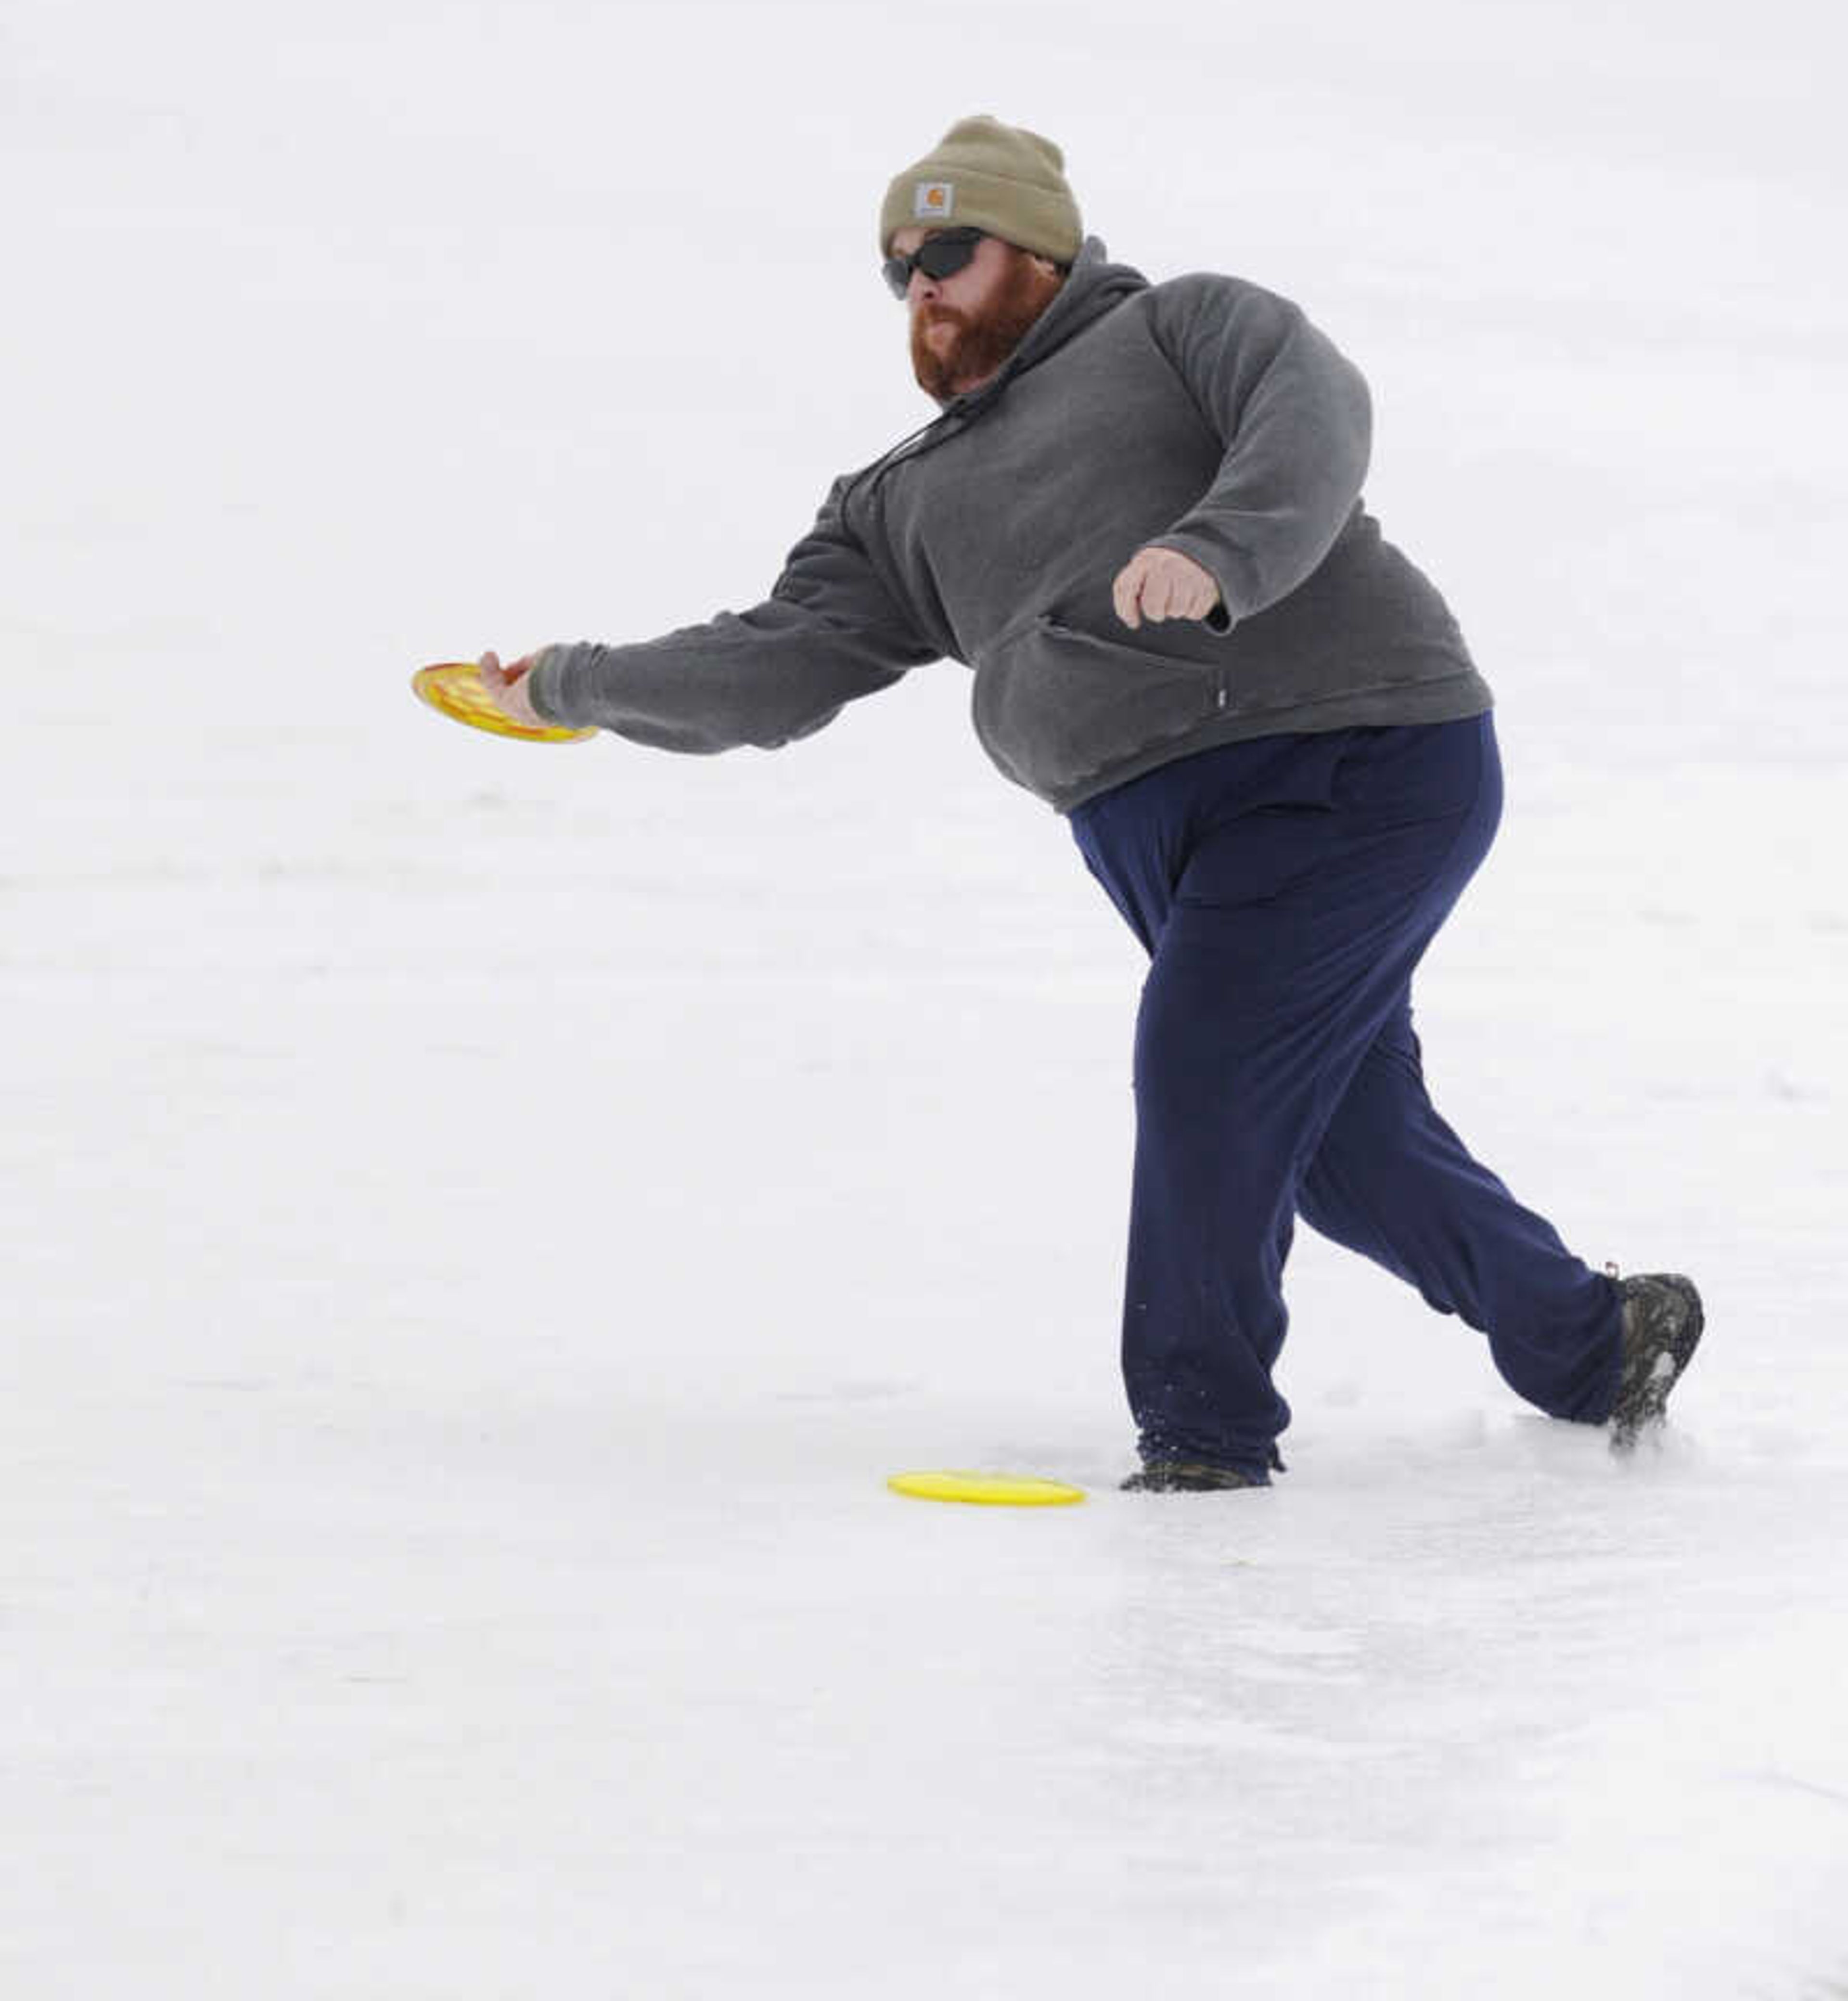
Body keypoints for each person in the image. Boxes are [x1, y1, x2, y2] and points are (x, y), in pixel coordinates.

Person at [475, 115, 1702, 1490]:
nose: (922, 287)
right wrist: (573, 687)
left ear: (1042, 251)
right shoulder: (895, 500)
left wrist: (1217, 548)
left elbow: (1317, 414)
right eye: (899, 270)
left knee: (1208, 1062)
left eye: (950, 249)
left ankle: (1205, 1440)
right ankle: (1600, 1344)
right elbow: (774, 668)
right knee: (1341, 1142)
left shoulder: (1180, 328)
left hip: (1357, 750)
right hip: (1153, 823)